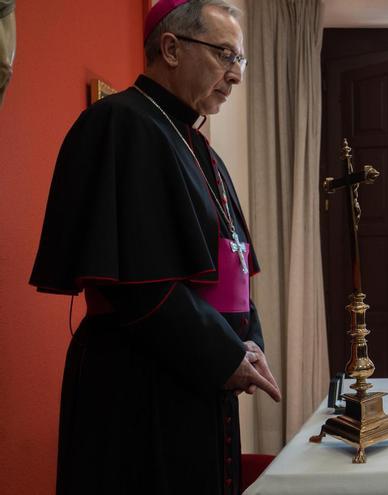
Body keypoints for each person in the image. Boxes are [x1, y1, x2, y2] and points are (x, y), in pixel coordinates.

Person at [29, 1, 281, 493]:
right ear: (170, 48)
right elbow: (137, 284)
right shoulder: (119, 123)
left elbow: (234, 263)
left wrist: (249, 344)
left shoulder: (197, 146)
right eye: (226, 55)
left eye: (240, 61)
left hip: (201, 373)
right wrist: (225, 354)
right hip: (139, 382)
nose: (235, 76)